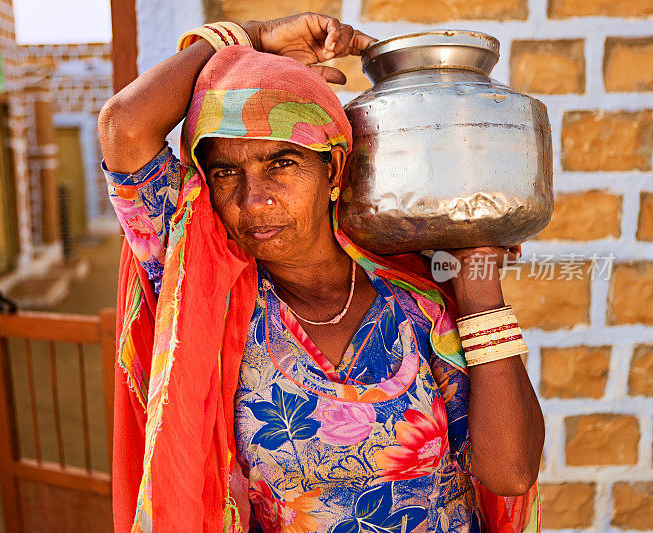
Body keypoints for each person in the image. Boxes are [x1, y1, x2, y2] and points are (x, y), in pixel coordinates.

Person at [99, 12, 544, 533]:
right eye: (226, 172)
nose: (254, 199)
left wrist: (479, 293)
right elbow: (123, 127)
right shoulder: (205, 294)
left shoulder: (417, 299)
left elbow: (510, 472)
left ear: (332, 169)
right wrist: (244, 40)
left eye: (282, 163)